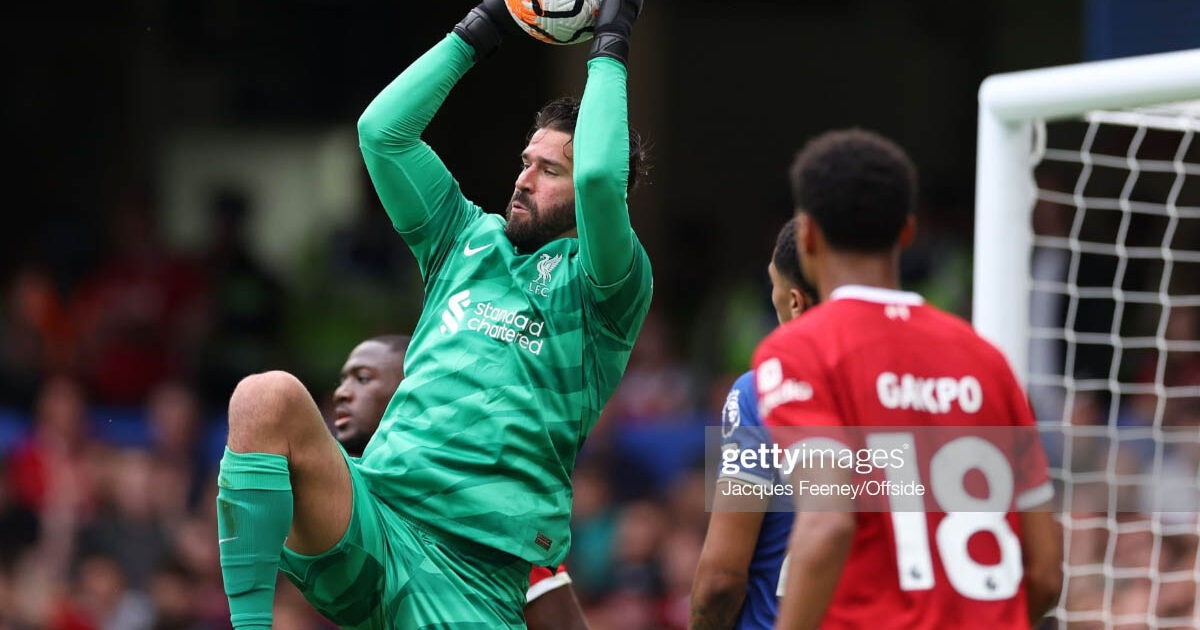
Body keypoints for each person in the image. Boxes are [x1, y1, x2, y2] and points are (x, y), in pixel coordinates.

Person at [213, 0, 652, 627]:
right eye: (525, 162)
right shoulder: (465, 240)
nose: (525, 179)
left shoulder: (607, 287)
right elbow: (382, 134)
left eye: (550, 170)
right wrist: (488, 22)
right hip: (374, 515)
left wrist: (612, 37)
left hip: (472, 574)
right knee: (266, 397)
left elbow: (603, 182)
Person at [751, 129, 1063, 629]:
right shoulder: (986, 359)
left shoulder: (800, 348)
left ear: (806, 235)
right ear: (907, 232)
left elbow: (827, 524)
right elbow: (1045, 573)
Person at [329, 334, 590, 630]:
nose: (341, 393)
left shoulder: (484, 509)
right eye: (342, 380)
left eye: (362, 378)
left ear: (416, 392)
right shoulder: (348, 496)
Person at [689, 218, 816, 630]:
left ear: (794, 301)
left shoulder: (760, 392)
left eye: (772, 284)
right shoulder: (913, 390)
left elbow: (721, 580)